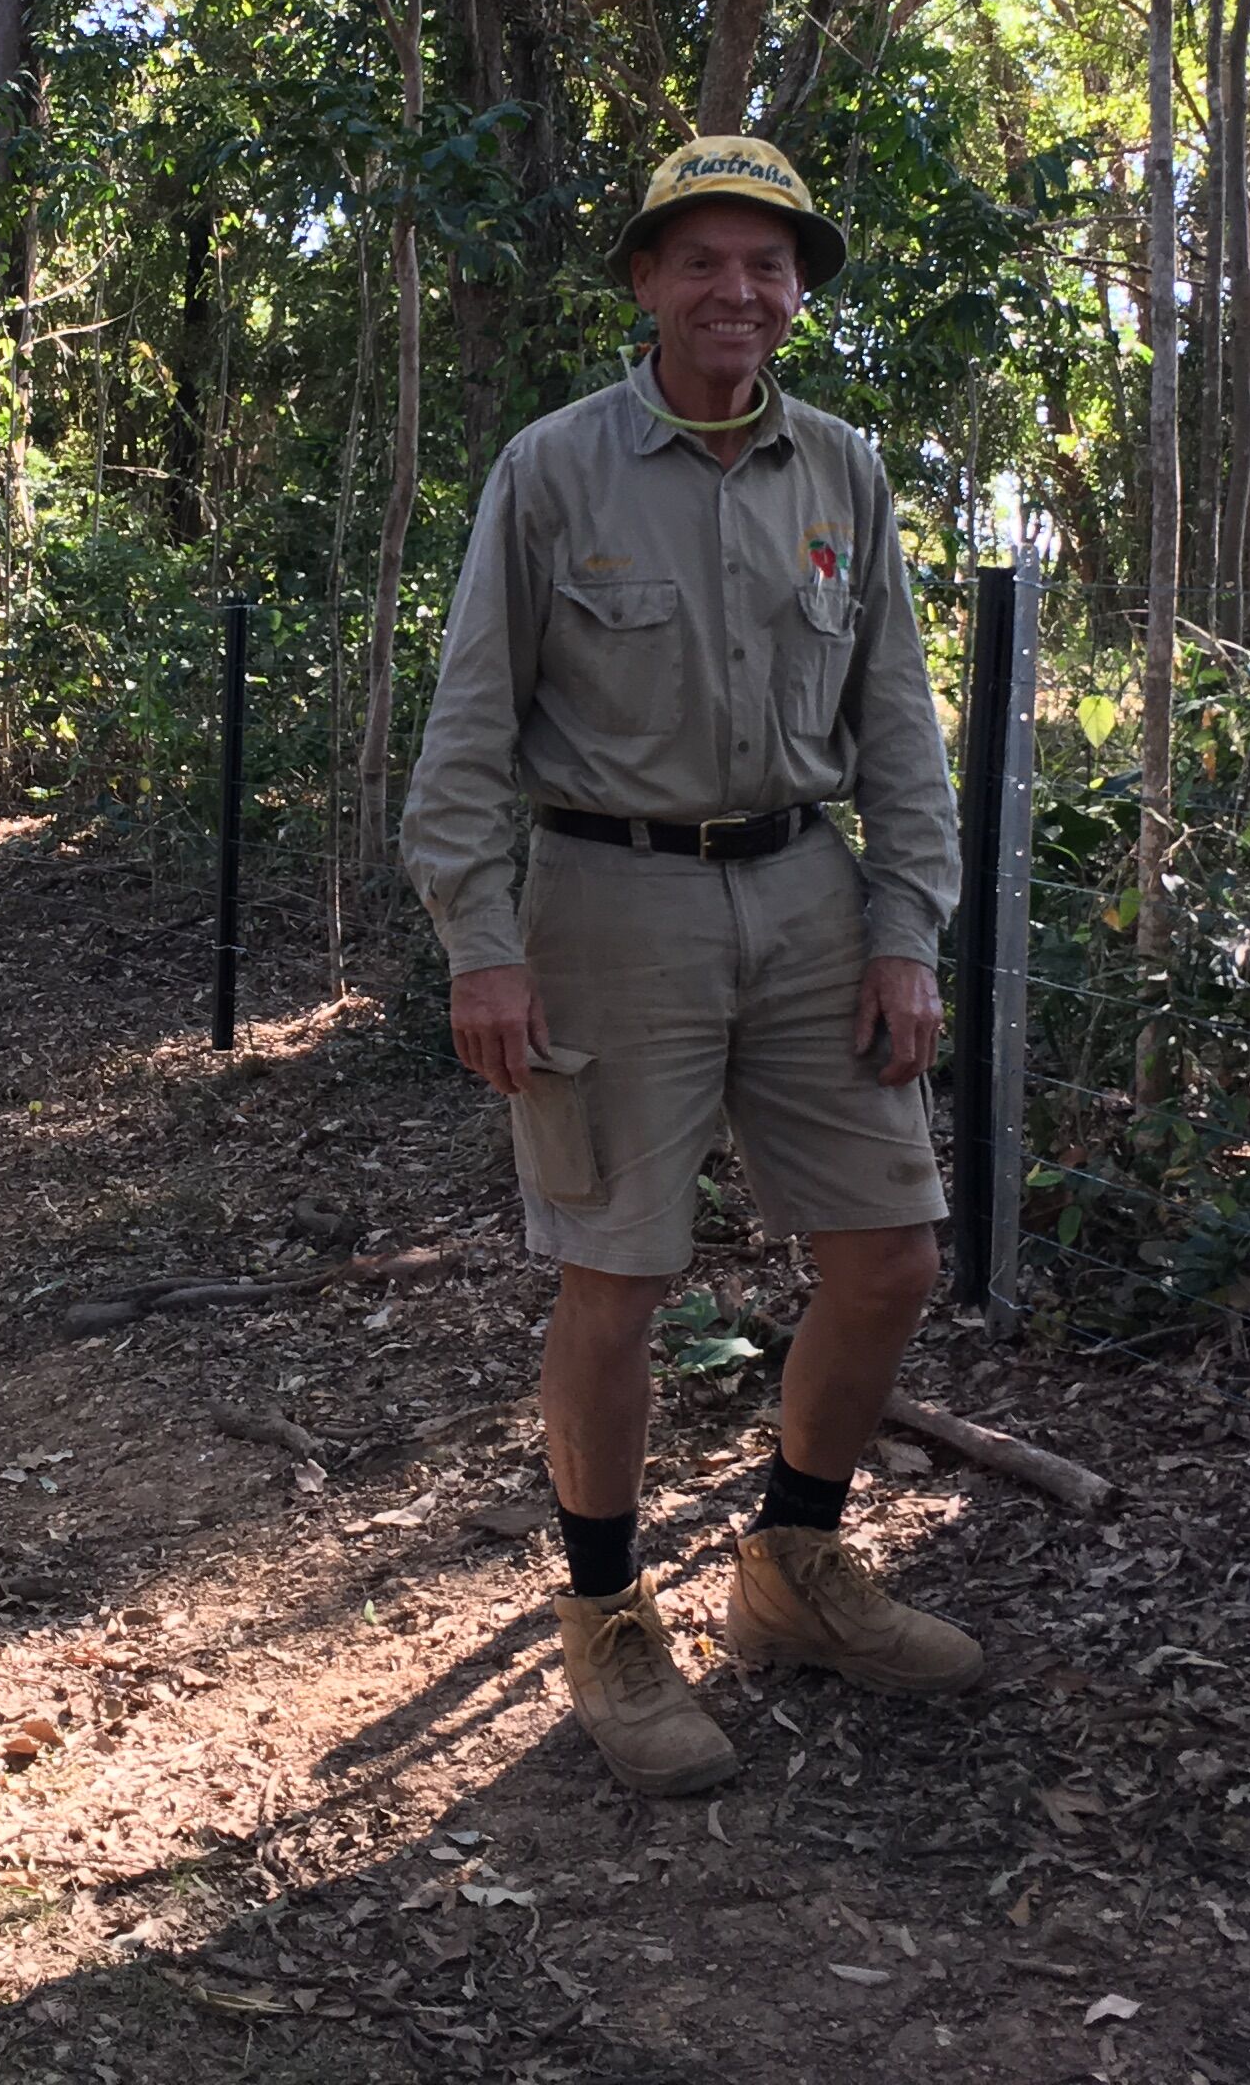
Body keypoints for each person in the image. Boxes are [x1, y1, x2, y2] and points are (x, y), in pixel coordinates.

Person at [399, 133, 977, 1796]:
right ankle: (605, 1619)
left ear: (798, 292)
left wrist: (902, 930)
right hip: (606, 909)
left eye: (769, 263)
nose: (739, 289)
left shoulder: (842, 474)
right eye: (703, 259)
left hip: (809, 896)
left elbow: (898, 733)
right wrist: (482, 947)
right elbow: (468, 732)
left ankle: (794, 1570)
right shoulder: (555, 469)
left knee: (891, 1256)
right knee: (620, 1279)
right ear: (647, 281)